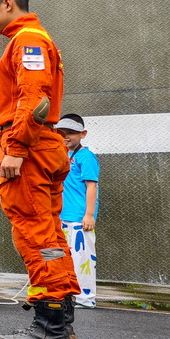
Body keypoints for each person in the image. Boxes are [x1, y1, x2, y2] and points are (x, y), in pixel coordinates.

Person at [0, 0, 80, 339]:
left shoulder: (27, 39)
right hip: (43, 146)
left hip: (28, 149)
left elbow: (33, 97)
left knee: (34, 235)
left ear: (8, 4)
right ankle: (60, 320)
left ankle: (48, 329)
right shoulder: (36, 39)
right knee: (49, 237)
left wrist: (14, 148)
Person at [56, 114, 99, 309]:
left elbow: (92, 187)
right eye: (61, 133)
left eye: (71, 133)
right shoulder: (61, 155)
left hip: (80, 218)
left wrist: (89, 215)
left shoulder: (86, 157)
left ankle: (85, 298)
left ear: (83, 134)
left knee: (83, 259)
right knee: (64, 257)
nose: (66, 136)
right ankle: (67, 294)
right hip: (61, 216)